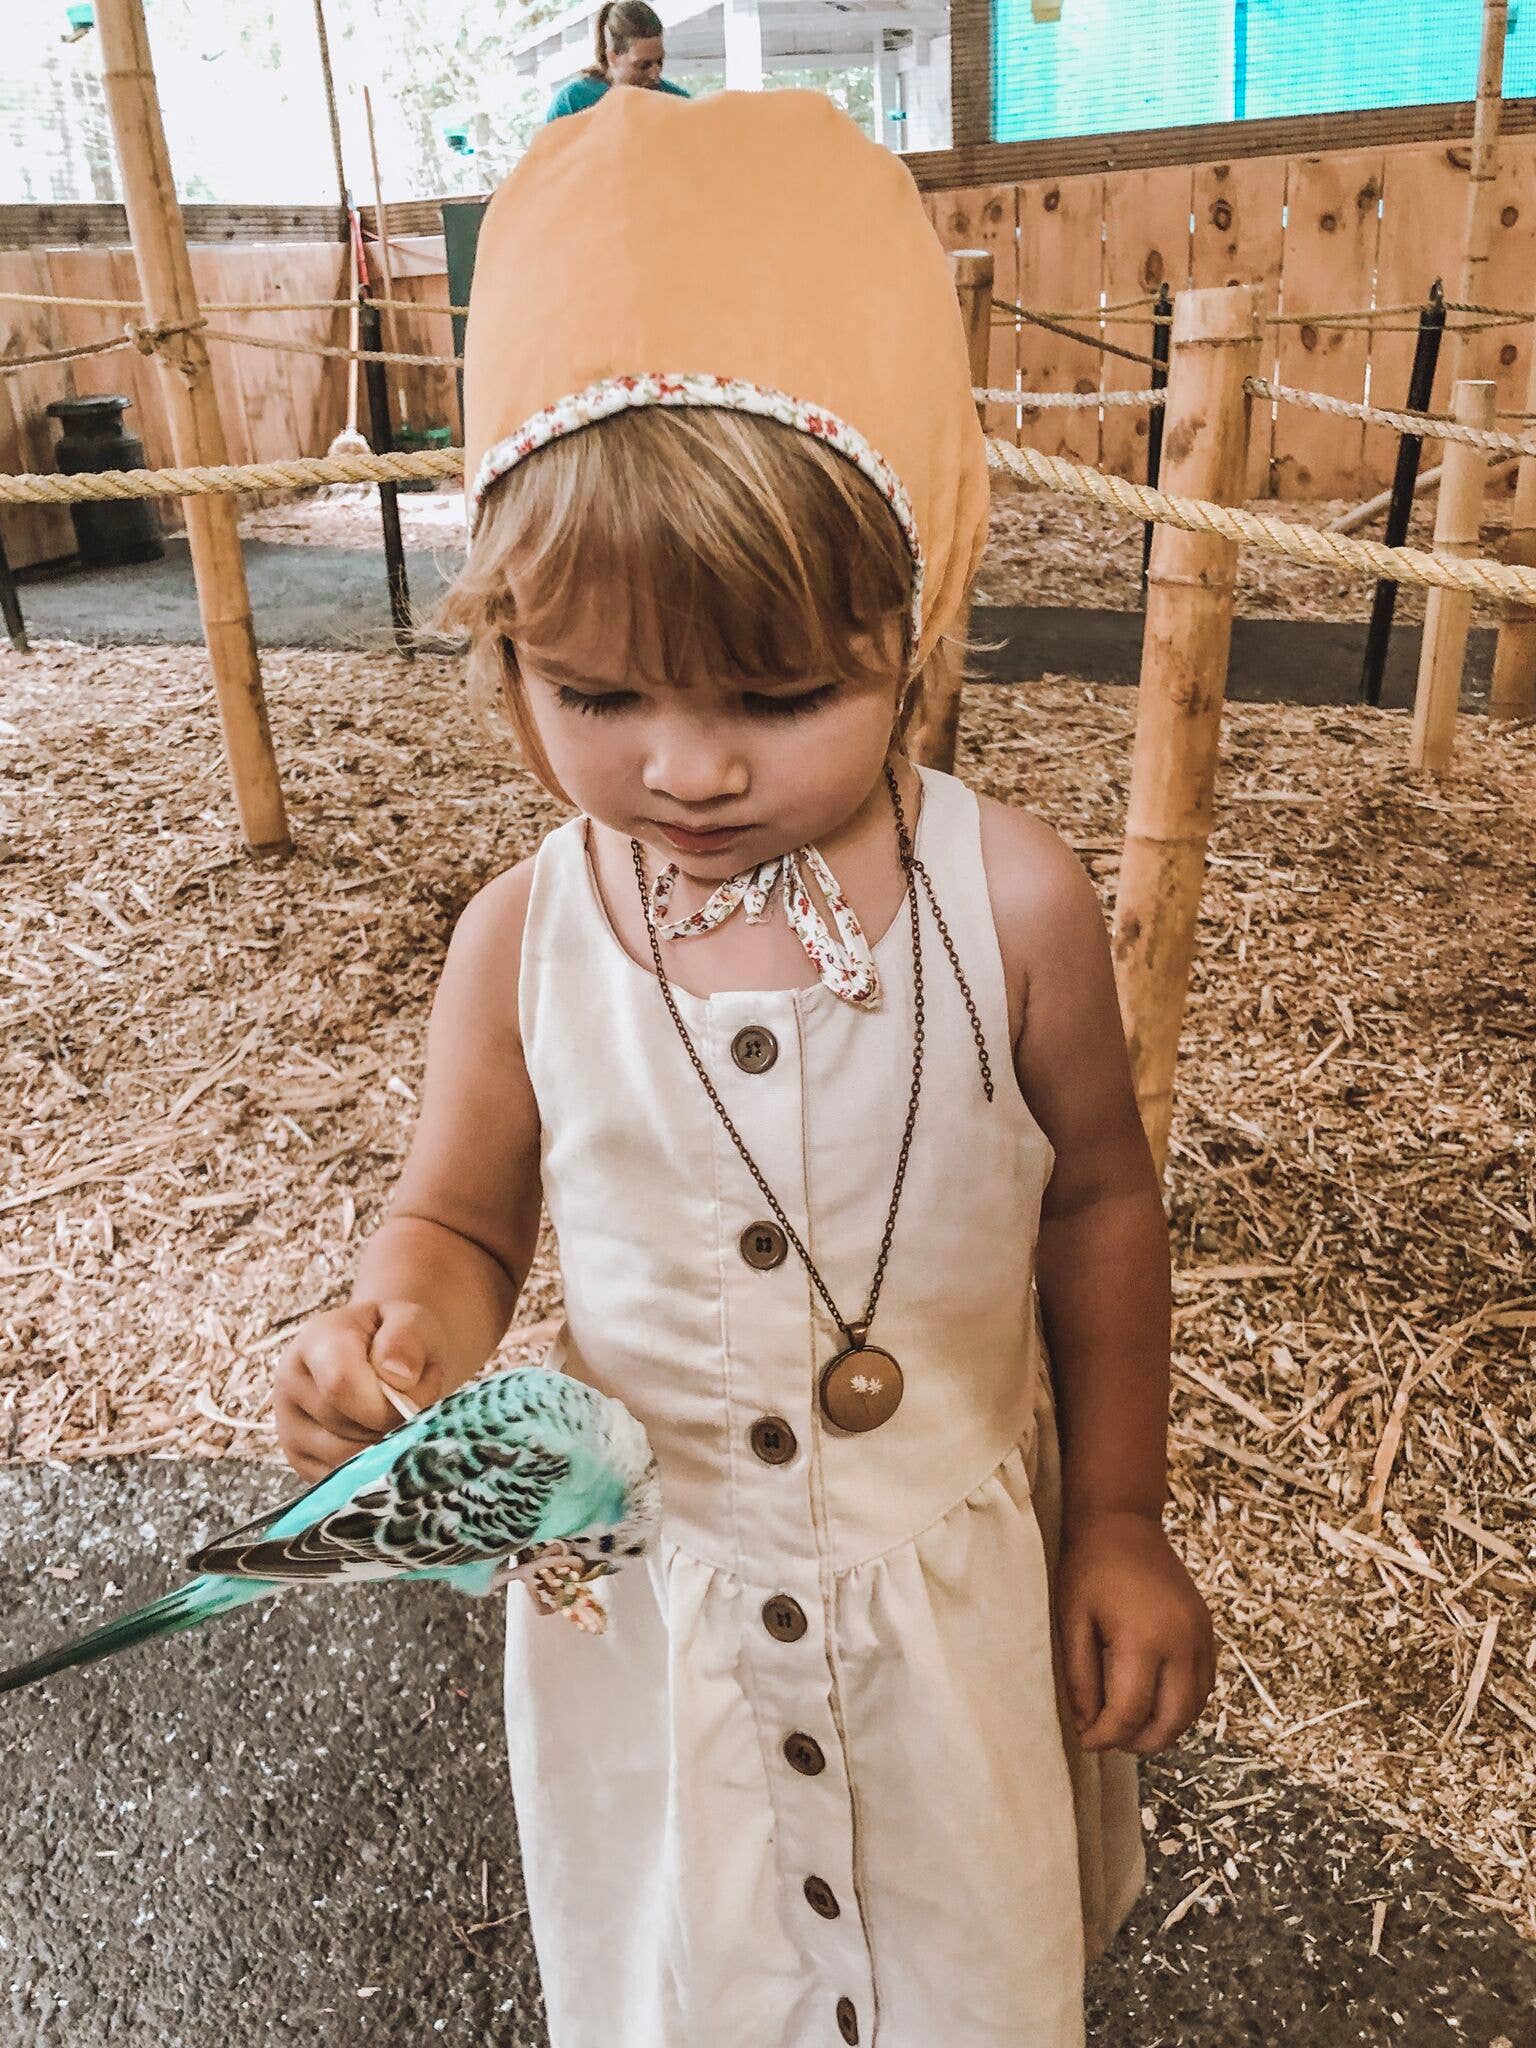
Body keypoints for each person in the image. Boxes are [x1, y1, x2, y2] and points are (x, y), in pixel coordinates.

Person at [273, 86, 1216, 2048]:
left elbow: (1102, 1201)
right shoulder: (525, 938)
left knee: (964, 1977)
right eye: (597, 692)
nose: (687, 768)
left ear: (911, 621)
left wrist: (1120, 1511)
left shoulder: (1010, 904)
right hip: (659, 1619)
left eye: (780, 695)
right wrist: (401, 1337)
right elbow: (460, 1216)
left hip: (940, 1607)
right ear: (505, 649)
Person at [545, 0, 688, 122]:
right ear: (612, 57)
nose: (655, 75)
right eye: (643, 65)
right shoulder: (572, 102)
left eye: (660, 62)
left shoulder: (677, 101)